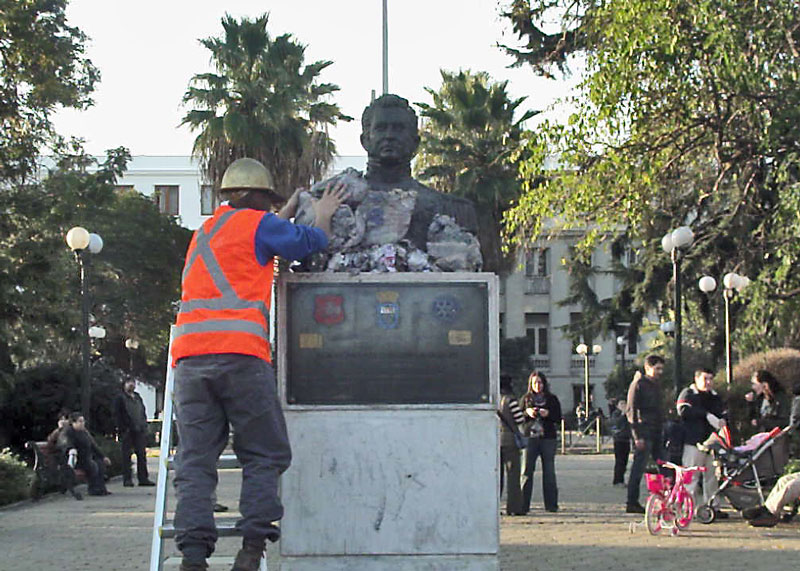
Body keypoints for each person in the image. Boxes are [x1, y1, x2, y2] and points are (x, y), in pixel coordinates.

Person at [170, 157, 346, 571]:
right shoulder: (260, 227)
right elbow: (309, 242)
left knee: (195, 461)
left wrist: (279, 216)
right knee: (264, 453)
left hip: (190, 361)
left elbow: (258, 235)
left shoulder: (206, 230)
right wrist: (321, 215)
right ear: (260, 199)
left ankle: (193, 557)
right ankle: (251, 549)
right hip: (239, 356)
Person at [676, 368, 728, 518]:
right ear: (696, 379)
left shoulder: (715, 396)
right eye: (705, 379)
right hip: (693, 442)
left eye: (711, 379)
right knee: (691, 477)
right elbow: (683, 411)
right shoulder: (688, 394)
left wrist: (723, 420)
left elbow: (723, 412)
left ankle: (712, 508)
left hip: (712, 444)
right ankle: (687, 508)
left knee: (712, 478)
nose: (708, 382)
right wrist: (705, 415)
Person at [625, 354, 666, 514]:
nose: (660, 372)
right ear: (648, 368)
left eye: (662, 369)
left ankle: (663, 498)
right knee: (638, 467)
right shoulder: (638, 385)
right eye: (657, 369)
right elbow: (631, 411)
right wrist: (637, 436)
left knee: (663, 464)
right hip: (644, 431)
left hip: (656, 429)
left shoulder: (655, 384)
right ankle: (632, 501)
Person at [520, 371, 562, 513]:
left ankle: (551, 505)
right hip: (530, 438)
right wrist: (528, 413)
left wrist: (548, 413)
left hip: (547, 438)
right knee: (526, 471)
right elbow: (518, 417)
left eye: (540, 382)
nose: (538, 385)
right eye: (535, 383)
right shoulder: (526, 399)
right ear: (530, 384)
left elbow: (558, 417)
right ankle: (523, 504)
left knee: (549, 472)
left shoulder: (552, 399)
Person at [114, 377, 155, 487]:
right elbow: (118, 415)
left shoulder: (137, 397)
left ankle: (143, 478)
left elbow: (142, 411)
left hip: (139, 430)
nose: (131, 385)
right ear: (124, 384)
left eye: (133, 383)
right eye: (129, 383)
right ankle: (127, 479)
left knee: (141, 454)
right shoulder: (120, 398)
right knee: (126, 455)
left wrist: (144, 425)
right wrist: (123, 428)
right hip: (127, 431)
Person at [59, 412, 111, 497]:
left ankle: (101, 489)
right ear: (73, 423)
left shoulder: (84, 432)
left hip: (85, 458)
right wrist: (71, 449)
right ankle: (93, 489)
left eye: (83, 421)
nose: (83, 423)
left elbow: (93, 446)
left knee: (100, 463)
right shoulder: (68, 432)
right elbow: (66, 444)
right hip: (74, 460)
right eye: (80, 421)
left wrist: (103, 456)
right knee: (92, 465)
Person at [498, 374, 525, 515]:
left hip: (495, 442)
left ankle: (494, 506)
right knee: (513, 476)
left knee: (497, 477)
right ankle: (514, 507)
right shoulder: (510, 400)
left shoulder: (494, 401)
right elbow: (520, 419)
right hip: (509, 442)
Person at [610, 399, 631, 486]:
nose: (623, 405)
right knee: (619, 461)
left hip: (626, 439)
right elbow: (616, 423)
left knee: (625, 461)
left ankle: (621, 480)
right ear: (618, 405)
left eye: (625, 403)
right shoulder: (616, 414)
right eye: (621, 403)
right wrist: (623, 414)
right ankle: (617, 480)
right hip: (618, 440)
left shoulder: (628, 414)